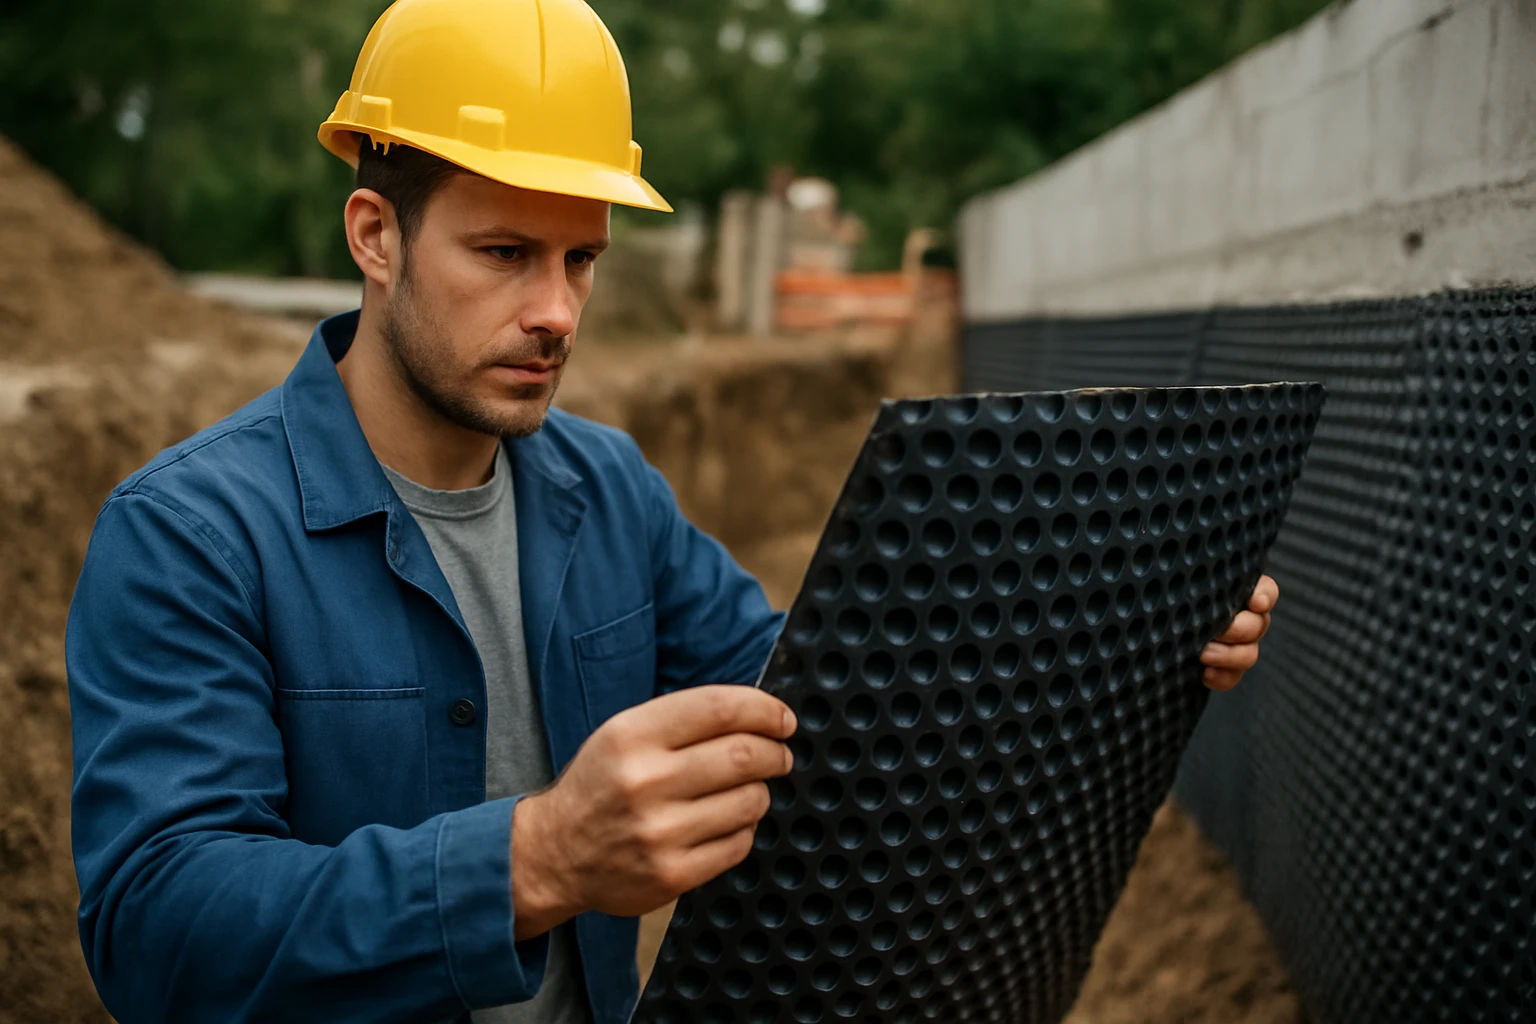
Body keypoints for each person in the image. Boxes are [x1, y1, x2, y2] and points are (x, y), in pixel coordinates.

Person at [64, 0, 1278, 1021]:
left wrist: (1108, 611)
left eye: (581, 259)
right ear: (376, 235)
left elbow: (816, 699)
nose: (557, 312)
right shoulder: (191, 534)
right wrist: (532, 862)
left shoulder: (606, 493)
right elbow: (158, 926)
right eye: (503, 253)